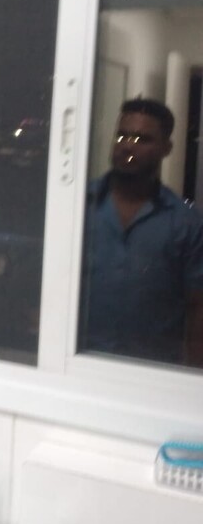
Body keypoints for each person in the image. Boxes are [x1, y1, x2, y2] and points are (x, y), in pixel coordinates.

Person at [81, 97, 203, 367]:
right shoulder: (80, 206)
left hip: (151, 372)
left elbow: (198, 307)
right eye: (122, 135)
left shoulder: (186, 223)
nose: (127, 145)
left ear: (166, 148)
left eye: (142, 139)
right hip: (79, 362)